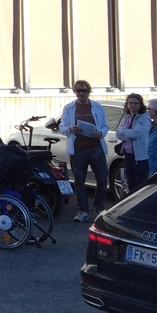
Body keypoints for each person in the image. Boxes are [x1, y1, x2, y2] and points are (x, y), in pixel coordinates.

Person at [62, 79, 109, 222]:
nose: (81, 94)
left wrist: (100, 133)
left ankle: (99, 206)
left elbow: (105, 126)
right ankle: (83, 210)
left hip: (96, 147)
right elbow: (62, 127)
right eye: (78, 91)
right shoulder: (69, 108)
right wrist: (70, 129)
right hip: (78, 148)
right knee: (79, 180)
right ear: (75, 92)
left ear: (89, 92)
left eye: (84, 91)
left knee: (102, 178)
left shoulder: (97, 107)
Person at [115, 93, 151, 192]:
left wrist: (124, 131)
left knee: (141, 183)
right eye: (130, 103)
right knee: (131, 182)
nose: (133, 105)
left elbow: (135, 134)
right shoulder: (126, 117)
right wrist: (128, 136)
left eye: (135, 103)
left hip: (140, 156)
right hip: (128, 153)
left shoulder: (144, 118)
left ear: (140, 105)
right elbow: (118, 134)